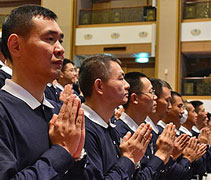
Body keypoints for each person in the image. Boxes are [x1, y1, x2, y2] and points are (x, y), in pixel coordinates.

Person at [0, 5, 85, 179]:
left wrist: (76, 157)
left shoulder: (57, 110)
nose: (60, 49)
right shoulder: (3, 109)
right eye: (49, 39)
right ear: (15, 46)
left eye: (60, 40)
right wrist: (62, 151)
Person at [75, 54, 152, 179]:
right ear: (100, 86)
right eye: (121, 79)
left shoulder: (110, 126)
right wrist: (129, 159)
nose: (127, 85)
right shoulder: (83, 128)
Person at [115, 72, 176, 179]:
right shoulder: (120, 131)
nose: (155, 97)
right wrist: (161, 155)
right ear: (135, 98)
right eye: (151, 92)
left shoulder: (145, 130)